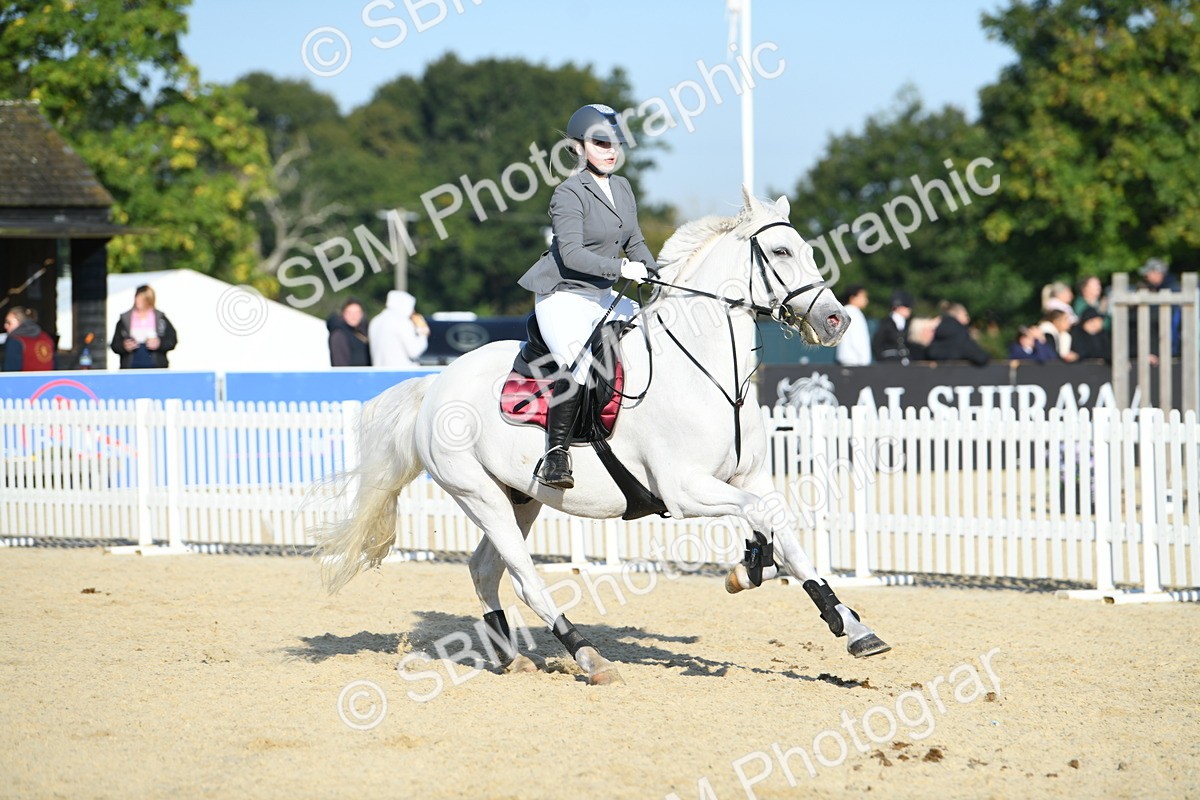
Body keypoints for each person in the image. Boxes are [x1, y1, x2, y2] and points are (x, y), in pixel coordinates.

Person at [516, 103, 659, 490]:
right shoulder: (568, 193)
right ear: (579, 147)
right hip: (562, 295)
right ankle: (556, 455)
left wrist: (657, 272)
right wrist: (622, 269)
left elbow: (635, 241)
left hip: (601, 294)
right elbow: (573, 254)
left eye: (616, 144)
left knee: (656, 336)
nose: (611, 152)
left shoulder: (623, 187)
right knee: (578, 364)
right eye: (601, 143)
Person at [110, 284, 177, 369]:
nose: (138, 301)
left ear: (149, 300)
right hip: (130, 368)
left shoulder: (161, 318)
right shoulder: (124, 319)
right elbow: (115, 345)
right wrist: (124, 346)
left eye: (142, 299)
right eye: (137, 298)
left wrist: (159, 343)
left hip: (156, 368)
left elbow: (172, 340)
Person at [368, 290, 430, 368]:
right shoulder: (402, 321)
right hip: (402, 375)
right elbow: (414, 351)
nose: (413, 311)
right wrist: (423, 332)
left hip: (380, 374)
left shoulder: (375, 321)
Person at [925, 301, 989, 366]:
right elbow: (980, 357)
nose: (968, 319)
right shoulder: (959, 333)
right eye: (965, 315)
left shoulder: (939, 332)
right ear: (958, 314)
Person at [2, 306, 55, 372]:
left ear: (20, 322)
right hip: (48, 381)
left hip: (25, 381)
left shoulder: (15, 340)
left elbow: (10, 372)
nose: (5, 326)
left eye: (8, 322)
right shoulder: (46, 338)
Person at [870, 289, 916, 364]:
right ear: (897, 307)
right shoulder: (886, 323)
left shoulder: (907, 324)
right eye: (906, 306)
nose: (909, 309)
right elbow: (877, 344)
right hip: (889, 362)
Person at [834, 285, 872, 367]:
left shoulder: (852, 311)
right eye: (863, 296)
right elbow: (856, 337)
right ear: (852, 298)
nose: (866, 300)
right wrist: (863, 360)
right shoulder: (852, 312)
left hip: (853, 359)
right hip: (854, 360)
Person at [327, 298, 371, 367]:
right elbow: (340, 365)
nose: (353, 316)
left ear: (362, 314)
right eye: (349, 313)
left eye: (357, 313)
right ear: (343, 314)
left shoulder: (364, 333)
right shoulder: (339, 335)